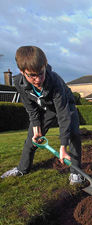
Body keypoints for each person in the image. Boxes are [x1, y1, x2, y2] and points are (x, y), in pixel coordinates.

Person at [1, 46, 83, 185]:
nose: (38, 79)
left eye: (40, 73)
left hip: (66, 105)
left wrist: (63, 146)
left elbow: (63, 114)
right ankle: (22, 169)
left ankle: (76, 173)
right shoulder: (18, 82)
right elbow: (30, 107)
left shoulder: (54, 80)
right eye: (32, 75)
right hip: (46, 109)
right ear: (22, 72)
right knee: (31, 139)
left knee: (73, 135)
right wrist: (36, 127)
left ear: (45, 66)